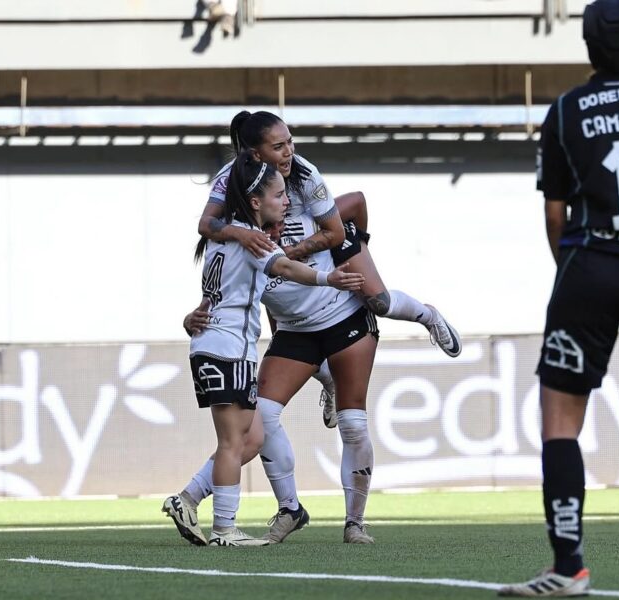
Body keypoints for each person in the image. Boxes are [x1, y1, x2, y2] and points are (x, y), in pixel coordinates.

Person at [499, 0, 619, 595]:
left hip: (587, 269)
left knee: (560, 421)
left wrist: (576, 271)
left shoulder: (565, 110)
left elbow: (554, 213)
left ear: (587, 46)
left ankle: (569, 564)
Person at [200, 110, 462, 429]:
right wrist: (246, 236)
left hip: (326, 243)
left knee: (378, 302)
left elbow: (347, 215)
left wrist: (339, 248)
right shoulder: (232, 178)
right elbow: (206, 225)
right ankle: (328, 380)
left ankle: (427, 315)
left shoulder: (305, 173)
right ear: (256, 155)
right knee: (286, 334)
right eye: (279, 146)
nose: (289, 152)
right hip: (276, 260)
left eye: (290, 142)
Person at [165, 208, 380, 546]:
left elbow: (356, 203)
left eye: (284, 198)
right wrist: (327, 277)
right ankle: (271, 511)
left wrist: (356, 246)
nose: (283, 210)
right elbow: (274, 272)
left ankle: (354, 523)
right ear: (256, 204)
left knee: (348, 423)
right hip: (264, 340)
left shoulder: (303, 193)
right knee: (245, 434)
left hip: (341, 320)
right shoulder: (251, 243)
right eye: (276, 199)